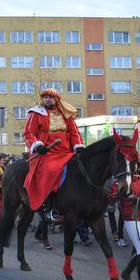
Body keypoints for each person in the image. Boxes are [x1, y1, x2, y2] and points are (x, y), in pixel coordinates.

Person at [23, 89, 84, 220]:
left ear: (56, 100)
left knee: (80, 168)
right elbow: (29, 133)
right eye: (45, 97)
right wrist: (38, 145)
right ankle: (48, 207)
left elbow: (75, 133)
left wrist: (78, 146)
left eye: (50, 97)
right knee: (50, 170)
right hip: (46, 153)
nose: (47, 99)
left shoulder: (65, 114)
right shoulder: (36, 113)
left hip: (66, 152)